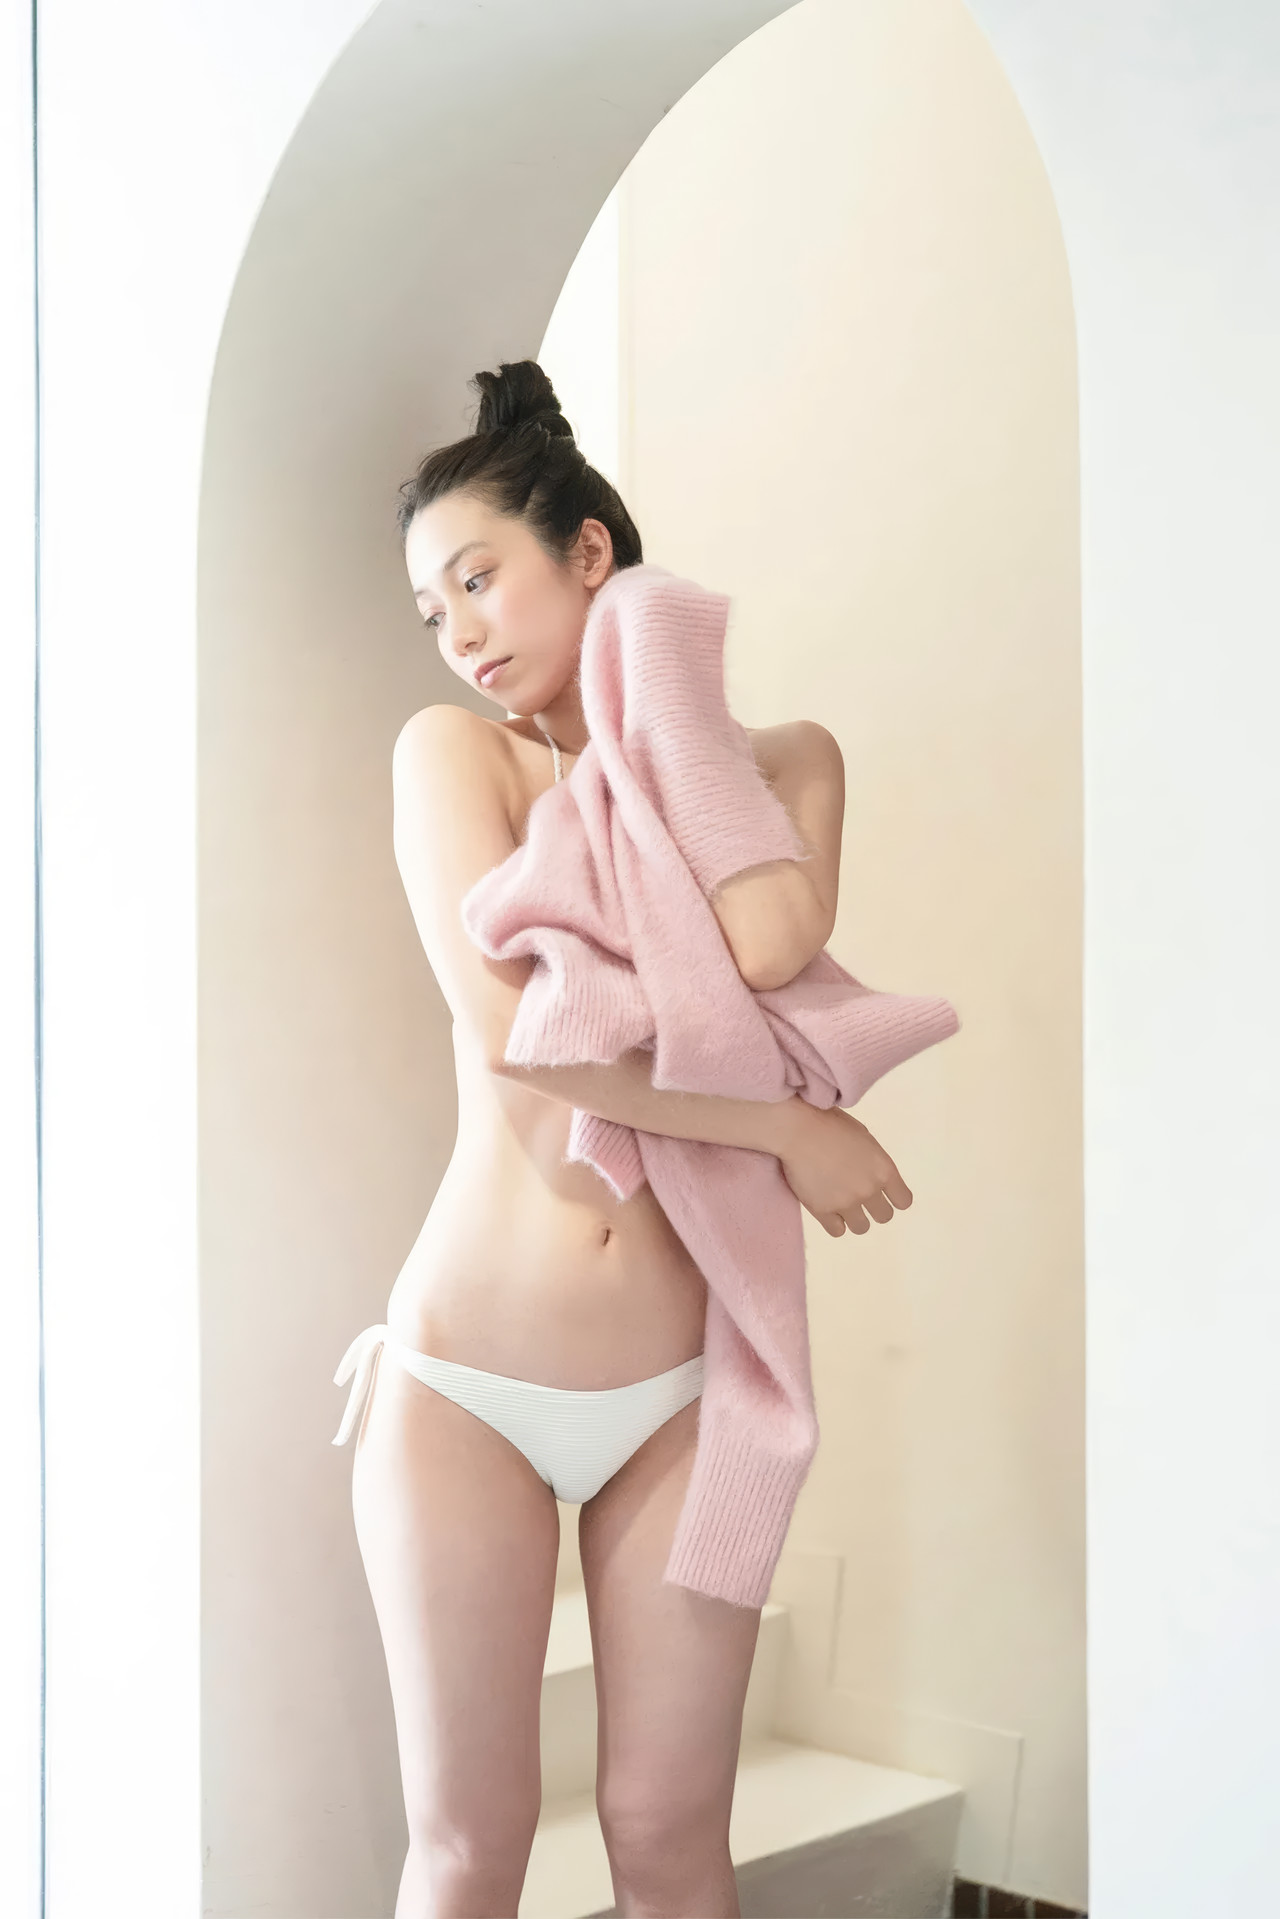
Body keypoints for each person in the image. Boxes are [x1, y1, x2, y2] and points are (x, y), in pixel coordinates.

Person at [335, 360, 914, 1919]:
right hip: (464, 1381)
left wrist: (665, 716)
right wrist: (788, 1129)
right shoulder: (455, 758)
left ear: (591, 553)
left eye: (480, 578)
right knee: (470, 1848)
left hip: (680, 1396)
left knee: (669, 1839)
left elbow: (771, 942)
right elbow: (522, 1038)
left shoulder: (787, 763)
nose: (459, 633)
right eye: (432, 609)